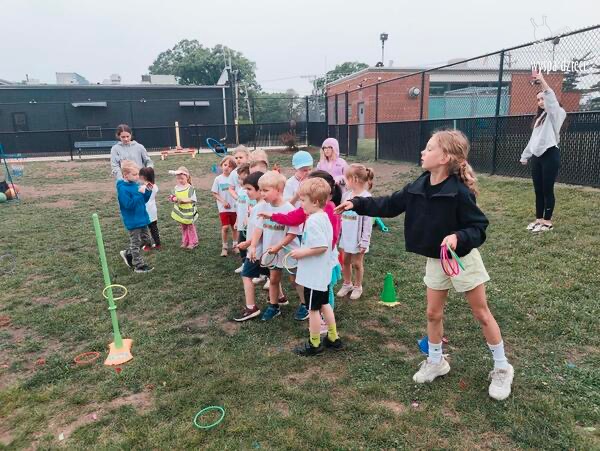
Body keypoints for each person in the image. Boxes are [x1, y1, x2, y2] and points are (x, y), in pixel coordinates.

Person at [336, 129, 514, 401]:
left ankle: (502, 368)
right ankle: (436, 361)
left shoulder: (459, 192)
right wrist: (356, 203)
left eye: (429, 148)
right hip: (436, 259)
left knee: (481, 313)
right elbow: (389, 204)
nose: (423, 152)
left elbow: (478, 227)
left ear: (445, 158)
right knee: (432, 313)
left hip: (462, 260)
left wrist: (458, 237)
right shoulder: (418, 185)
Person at [259, 170, 342, 319]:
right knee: (316, 287)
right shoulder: (309, 209)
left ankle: (324, 316)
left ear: (317, 196)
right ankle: (318, 312)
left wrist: (307, 252)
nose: (300, 202)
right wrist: (273, 216)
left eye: (303, 199)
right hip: (313, 255)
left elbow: (331, 240)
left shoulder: (328, 211)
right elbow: (293, 218)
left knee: (325, 287)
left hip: (323, 258)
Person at [291, 177, 343, 356]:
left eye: (303, 200)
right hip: (322, 273)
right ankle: (333, 338)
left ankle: (314, 344)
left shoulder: (313, 221)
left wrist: (301, 253)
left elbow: (321, 247)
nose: (301, 204)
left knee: (313, 310)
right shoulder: (323, 216)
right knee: (325, 304)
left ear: (314, 201)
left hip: (314, 276)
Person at [249, 171, 303, 321]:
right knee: (273, 279)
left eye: (266, 190)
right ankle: (274, 306)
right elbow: (258, 228)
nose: (262, 194)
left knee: (295, 280)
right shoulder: (263, 207)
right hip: (272, 252)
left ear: (279, 190)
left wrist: (279, 246)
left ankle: (305, 304)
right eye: (261, 190)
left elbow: (292, 233)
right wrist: (253, 246)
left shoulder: (289, 209)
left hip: (289, 252)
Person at [520, 70, 567, 233]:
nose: (541, 102)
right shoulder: (539, 119)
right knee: (538, 190)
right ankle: (539, 219)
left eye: (543, 98)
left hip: (550, 155)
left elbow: (551, 100)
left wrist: (542, 81)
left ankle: (547, 222)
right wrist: (525, 155)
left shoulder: (557, 114)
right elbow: (534, 139)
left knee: (547, 189)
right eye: (538, 99)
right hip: (537, 157)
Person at [233, 171, 271, 321]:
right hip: (262, 250)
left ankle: (251, 307)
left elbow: (259, 231)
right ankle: (279, 298)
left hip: (256, 251)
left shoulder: (260, 208)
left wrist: (249, 244)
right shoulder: (262, 206)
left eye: (249, 189)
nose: (246, 192)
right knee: (270, 274)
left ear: (260, 190)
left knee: (246, 275)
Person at [337, 164, 374, 300]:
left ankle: (358, 286)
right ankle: (347, 284)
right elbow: (341, 216)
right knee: (345, 260)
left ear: (354, 179)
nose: (345, 181)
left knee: (357, 264)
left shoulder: (367, 198)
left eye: (346, 178)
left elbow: (368, 223)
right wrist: (339, 234)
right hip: (346, 236)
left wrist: (365, 241)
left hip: (358, 239)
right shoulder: (346, 195)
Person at [116, 161, 153, 273]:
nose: (137, 177)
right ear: (126, 175)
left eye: (138, 174)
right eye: (135, 174)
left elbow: (143, 200)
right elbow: (128, 205)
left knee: (146, 240)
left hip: (142, 218)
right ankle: (139, 266)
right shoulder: (123, 189)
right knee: (136, 243)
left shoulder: (136, 185)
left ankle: (128, 253)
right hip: (133, 221)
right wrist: (139, 193)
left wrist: (148, 191)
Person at [211, 156, 239, 257]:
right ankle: (224, 247)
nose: (227, 167)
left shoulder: (235, 179)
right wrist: (223, 202)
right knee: (225, 227)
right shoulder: (218, 179)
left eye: (230, 166)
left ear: (234, 168)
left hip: (235, 208)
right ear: (221, 165)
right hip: (224, 208)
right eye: (225, 165)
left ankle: (235, 246)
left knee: (235, 227)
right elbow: (214, 193)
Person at [168, 166, 199, 249]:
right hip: (181, 211)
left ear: (187, 177)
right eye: (178, 179)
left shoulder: (190, 188)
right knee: (183, 226)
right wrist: (173, 198)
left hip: (189, 211)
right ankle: (185, 241)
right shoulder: (176, 188)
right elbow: (172, 196)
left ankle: (193, 242)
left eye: (182, 178)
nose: (180, 180)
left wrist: (183, 200)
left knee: (190, 227)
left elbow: (193, 199)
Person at [229, 163, 251, 273]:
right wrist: (237, 221)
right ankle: (244, 263)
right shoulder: (241, 190)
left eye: (242, 178)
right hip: (241, 224)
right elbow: (239, 208)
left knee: (250, 245)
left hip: (249, 224)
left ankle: (255, 268)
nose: (239, 180)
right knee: (241, 243)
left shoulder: (250, 192)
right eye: (239, 178)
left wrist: (248, 219)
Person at [139, 167, 160, 251]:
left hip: (145, 210)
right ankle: (157, 243)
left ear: (143, 177)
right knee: (153, 228)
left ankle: (147, 245)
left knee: (144, 230)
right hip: (153, 210)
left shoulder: (143, 187)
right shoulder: (155, 186)